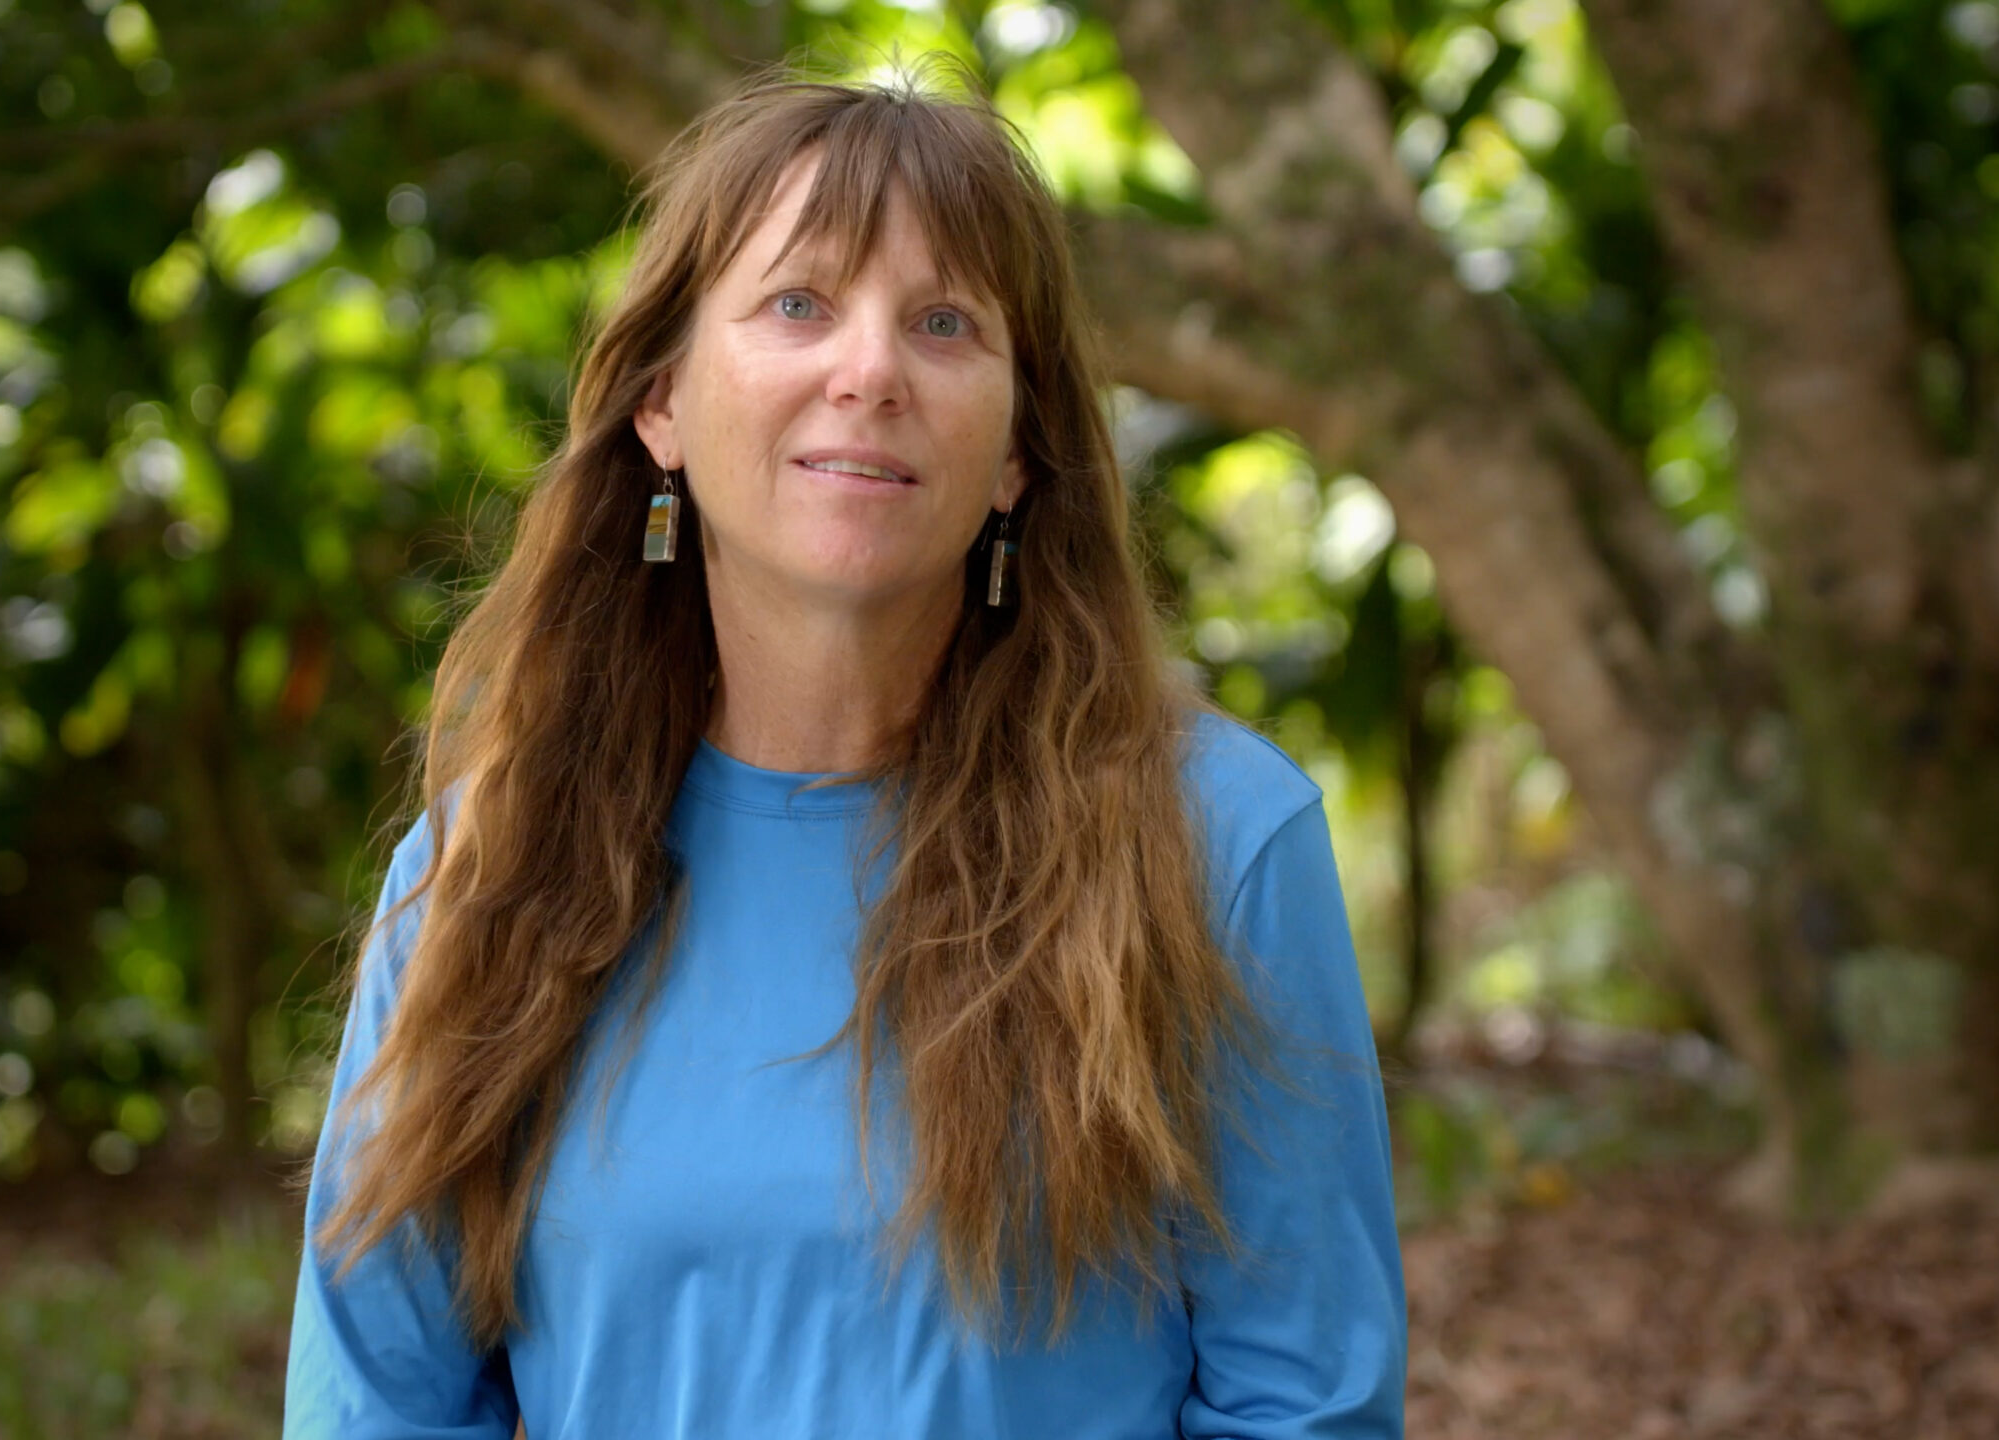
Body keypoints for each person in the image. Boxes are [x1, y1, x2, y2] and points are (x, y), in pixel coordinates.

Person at [283, 56, 1406, 1440]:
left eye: (943, 324)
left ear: (1013, 455)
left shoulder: (1218, 842)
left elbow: (1306, 1409)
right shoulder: (488, 870)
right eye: (799, 303)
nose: (868, 371)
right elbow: (375, 1410)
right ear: (663, 407)